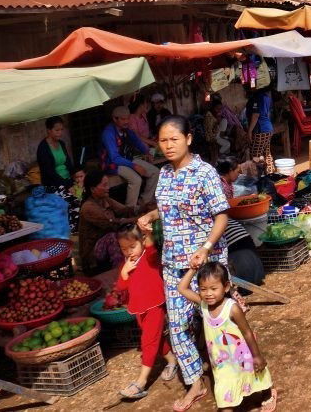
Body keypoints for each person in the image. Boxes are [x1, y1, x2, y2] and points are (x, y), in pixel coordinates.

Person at [136, 115, 230, 412]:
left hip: (206, 264)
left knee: (217, 323)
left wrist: (205, 248)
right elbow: (168, 209)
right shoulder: (164, 173)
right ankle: (196, 384)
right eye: (163, 140)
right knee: (177, 326)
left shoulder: (205, 173)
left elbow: (221, 216)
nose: (168, 145)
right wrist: (150, 216)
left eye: (174, 139)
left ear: (189, 138)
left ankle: (235, 378)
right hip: (173, 262)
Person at [178, 263, 275, 412]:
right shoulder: (203, 305)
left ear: (226, 287)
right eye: (203, 289)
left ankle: (268, 393)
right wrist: (194, 269)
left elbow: (247, 332)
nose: (208, 293)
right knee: (224, 391)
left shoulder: (232, 308)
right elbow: (182, 288)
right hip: (221, 362)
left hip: (242, 355)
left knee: (256, 376)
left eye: (213, 288)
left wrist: (257, 356)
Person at [114, 223, 177, 399]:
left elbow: (151, 247)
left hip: (154, 306)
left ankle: (141, 382)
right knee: (155, 338)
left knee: (148, 341)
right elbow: (121, 287)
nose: (129, 252)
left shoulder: (149, 257)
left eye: (132, 246)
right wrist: (125, 273)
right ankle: (172, 360)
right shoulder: (127, 263)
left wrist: (147, 233)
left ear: (141, 242)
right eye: (124, 248)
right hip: (139, 309)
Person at [78, 170, 142, 273]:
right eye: (104, 185)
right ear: (93, 189)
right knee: (113, 237)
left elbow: (124, 210)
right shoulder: (88, 208)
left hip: (106, 247)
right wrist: (138, 219)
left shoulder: (106, 199)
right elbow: (113, 224)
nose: (108, 188)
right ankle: (120, 272)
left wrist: (143, 209)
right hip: (92, 255)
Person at [216, 160, 265, 288]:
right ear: (230, 171)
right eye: (237, 171)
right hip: (236, 233)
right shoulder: (220, 186)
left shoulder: (227, 185)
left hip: (232, 232)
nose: (239, 175)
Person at [102, 106, 159, 207]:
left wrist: (147, 152)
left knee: (155, 172)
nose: (127, 121)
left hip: (127, 159)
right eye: (123, 119)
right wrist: (134, 166)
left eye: (128, 118)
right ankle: (130, 210)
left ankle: (143, 202)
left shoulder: (126, 130)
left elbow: (137, 141)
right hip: (112, 164)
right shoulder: (108, 133)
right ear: (115, 119)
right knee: (136, 180)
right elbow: (115, 158)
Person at [36, 116, 83, 230]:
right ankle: (72, 229)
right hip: (53, 184)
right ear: (49, 130)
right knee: (73, 198)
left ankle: (78, 227)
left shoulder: (61, 144)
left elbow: (68, 164)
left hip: (67, 181)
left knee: (83, 194)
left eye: (62, 130)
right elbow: (49, 173)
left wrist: (77, 176)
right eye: (57, 130)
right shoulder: (43, 148)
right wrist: (68, 185)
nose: (60, 133)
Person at [245, 87, 274, 174]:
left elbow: (256, 115)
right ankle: (271, 174)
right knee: (267, 153)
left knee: (255, 155)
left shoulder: (256, 98)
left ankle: (256, 178)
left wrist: (249, 131)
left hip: (260, 130)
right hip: (268, 129)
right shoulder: (267, 97)